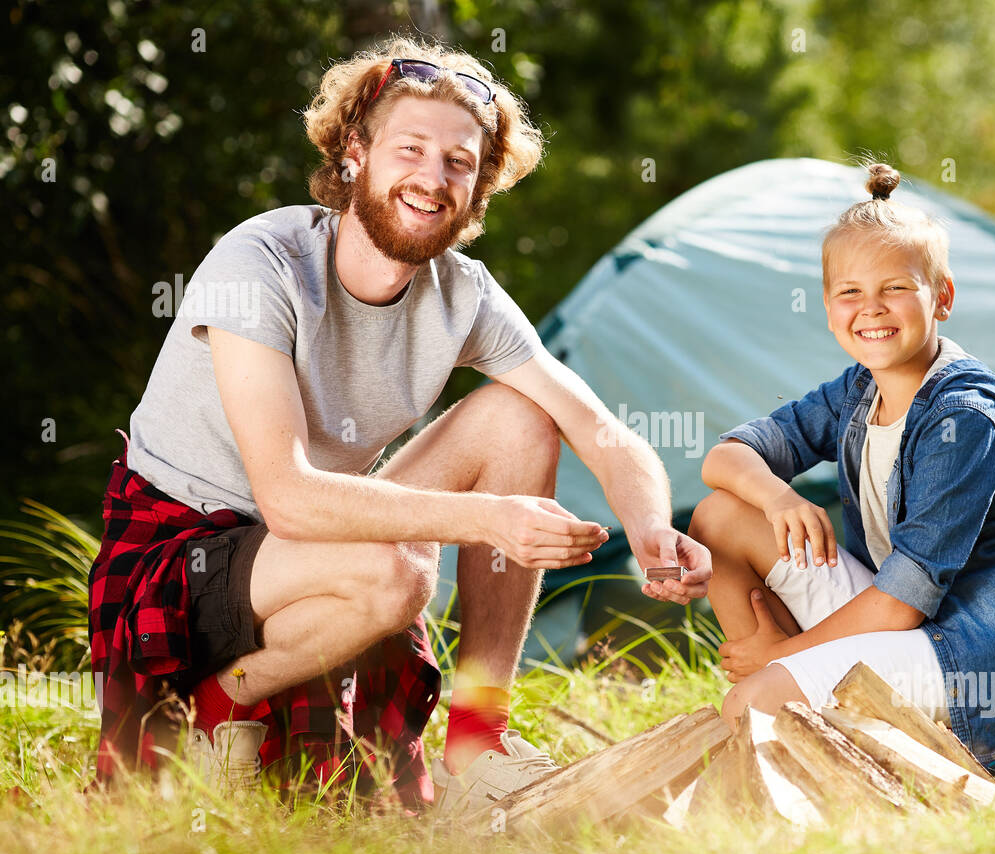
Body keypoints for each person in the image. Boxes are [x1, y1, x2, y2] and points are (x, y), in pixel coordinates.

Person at [88, 35, 711, 810]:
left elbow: (602, 431)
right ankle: (218, 707)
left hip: (318, 546)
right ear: (356, 150)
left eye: (460, 161)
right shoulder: (260, 263)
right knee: (394, 576)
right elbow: (287, 497)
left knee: (521, 419)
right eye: (410, 148)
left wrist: (652, 529)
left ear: (481, 183)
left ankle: (480, 737)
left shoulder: (463, 295)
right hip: (189, 551)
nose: (432, 177)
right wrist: (489, 519)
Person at [688, 162, 995, 773]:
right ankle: (822, 714)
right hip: (906, 624)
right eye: (850, 292)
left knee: (751, 703)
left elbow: (902, 602)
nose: (871, 309)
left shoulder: (965, 416)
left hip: (977, 658)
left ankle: (974, 760)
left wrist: (780, 657)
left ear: (941, 296)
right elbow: (726, 456)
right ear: (827, 305)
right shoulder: (856, 391)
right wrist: (779, 498)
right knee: (719, 517)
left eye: (896, 287)